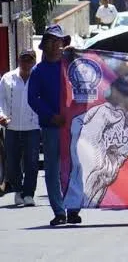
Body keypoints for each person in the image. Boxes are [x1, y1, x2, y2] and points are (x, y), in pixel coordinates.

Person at [28, 25, 82, 226]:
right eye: (51, 40)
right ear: (45, 45)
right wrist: (51, 116)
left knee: (74, 167)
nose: (55, 44)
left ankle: (73, 209)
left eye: (58, 40)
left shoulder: (72, 67)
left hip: (72, 126)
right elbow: (33, 98)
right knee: (52, 170)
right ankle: (59, 211)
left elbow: (84, 89)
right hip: (51, 127)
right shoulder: (38, 71)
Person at [0, 50, 40, 207]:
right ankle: (18, 190)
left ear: (34, 62)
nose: (26, 63)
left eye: (29, 60)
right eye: (24, 60)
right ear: (18, 60)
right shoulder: (7, 78)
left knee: (32, 162)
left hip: (33, 126)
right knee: (12, 162)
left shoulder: (38, 78)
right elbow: (1, 100)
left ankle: (29, 193)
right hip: (12, 126)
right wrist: (1, 116)